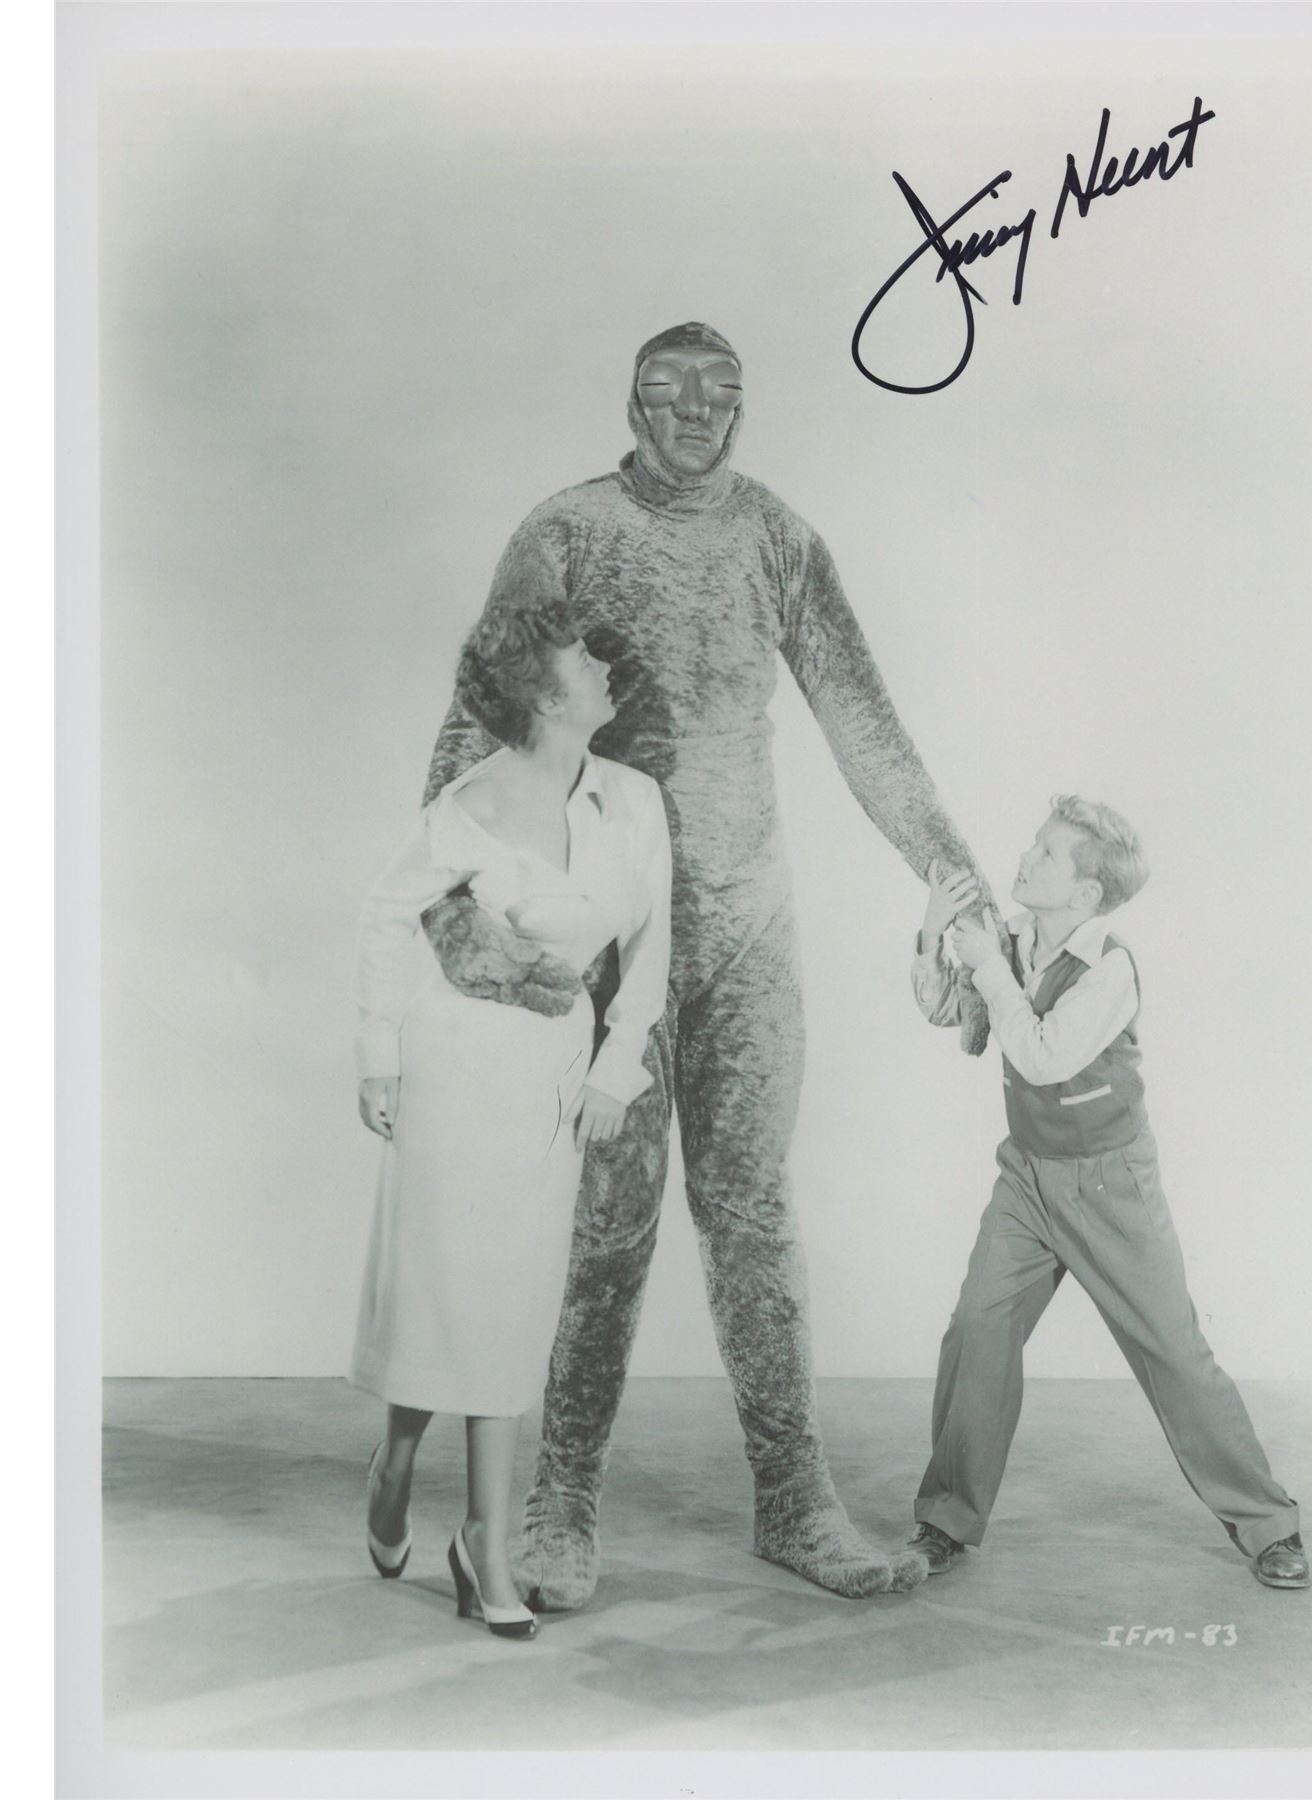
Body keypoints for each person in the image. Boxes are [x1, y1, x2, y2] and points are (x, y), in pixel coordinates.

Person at [414, 321, 998, 1608]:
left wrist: (957, 882)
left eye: (720, 393)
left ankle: (794, 1498)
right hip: (606, 938)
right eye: (671, 393)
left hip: (746, 931)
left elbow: (865, 724)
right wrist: (460, 915)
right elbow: (474, 721)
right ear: (632, 402)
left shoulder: (777, 538)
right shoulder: (568, 532)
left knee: (753, 1214)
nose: (697, 413)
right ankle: (560, 1501)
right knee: (605, 1225)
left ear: (743, 407)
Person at [350, 601, 671, 1638]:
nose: (604, 666)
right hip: (455, 1063)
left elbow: (651, 947)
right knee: (454, 1293)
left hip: (552, 1070)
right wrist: (379, 1054)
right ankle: (443, 1506)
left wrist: (618, 1066)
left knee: (508, 1301)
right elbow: (387, 914)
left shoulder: (634, 800)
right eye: (582, 659)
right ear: (542, 693)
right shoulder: (469, 804)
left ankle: (456, 1515)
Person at [902, 798, 1311, 1590]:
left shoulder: (1110, 969)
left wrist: (987, 966)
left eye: (1048, 854)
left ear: (1086, 893)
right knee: (978, 1327)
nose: (1026, 857)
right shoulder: (1011, 938)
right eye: (1034, 842)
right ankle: (945, 1519)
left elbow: (1042, 1055)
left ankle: (1269, 1524)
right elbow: (949, 1010)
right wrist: (933, 934)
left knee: (1172, 1351)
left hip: (1109, 1185)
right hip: (1027, 1176)